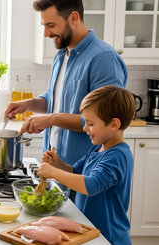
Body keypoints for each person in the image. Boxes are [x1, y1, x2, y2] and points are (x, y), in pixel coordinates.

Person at [4, 0, 127, 166]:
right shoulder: (62, 55)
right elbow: (55, 101)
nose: (46, 33)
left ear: (74, 18)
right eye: (44, 26)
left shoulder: (103, 58)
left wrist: (50, 119)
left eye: (51, 25)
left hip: (85, 172)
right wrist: (29, 104)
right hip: (55, 163)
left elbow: (106, 120)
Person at [38, 85, 136, 245]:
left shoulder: (117, 156)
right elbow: (75, 172)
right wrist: (57, 163)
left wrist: (52, 173)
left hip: (109, 237)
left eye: (90, 123)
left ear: (114, 124)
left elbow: (90, 185)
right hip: (91, 232)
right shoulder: (97, 148)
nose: (84, 128)